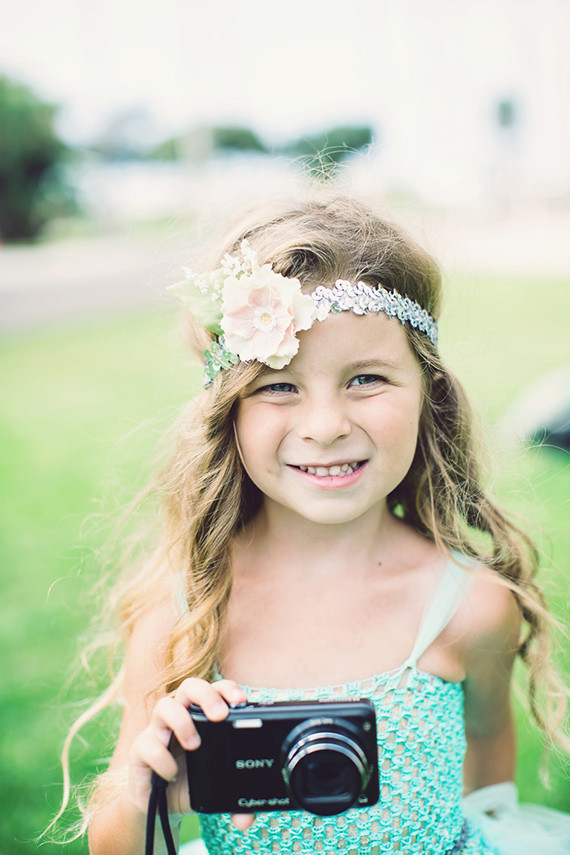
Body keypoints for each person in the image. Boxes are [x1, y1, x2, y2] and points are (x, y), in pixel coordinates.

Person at [73, 196, 570, 854]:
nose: (326, 425)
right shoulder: (187, 614)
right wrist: (144, 788)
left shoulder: (471, 607)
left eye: (366, 378)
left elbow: (486, 782)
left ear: (431, 393)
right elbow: (114, 842)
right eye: (279, 385)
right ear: (230, 412)